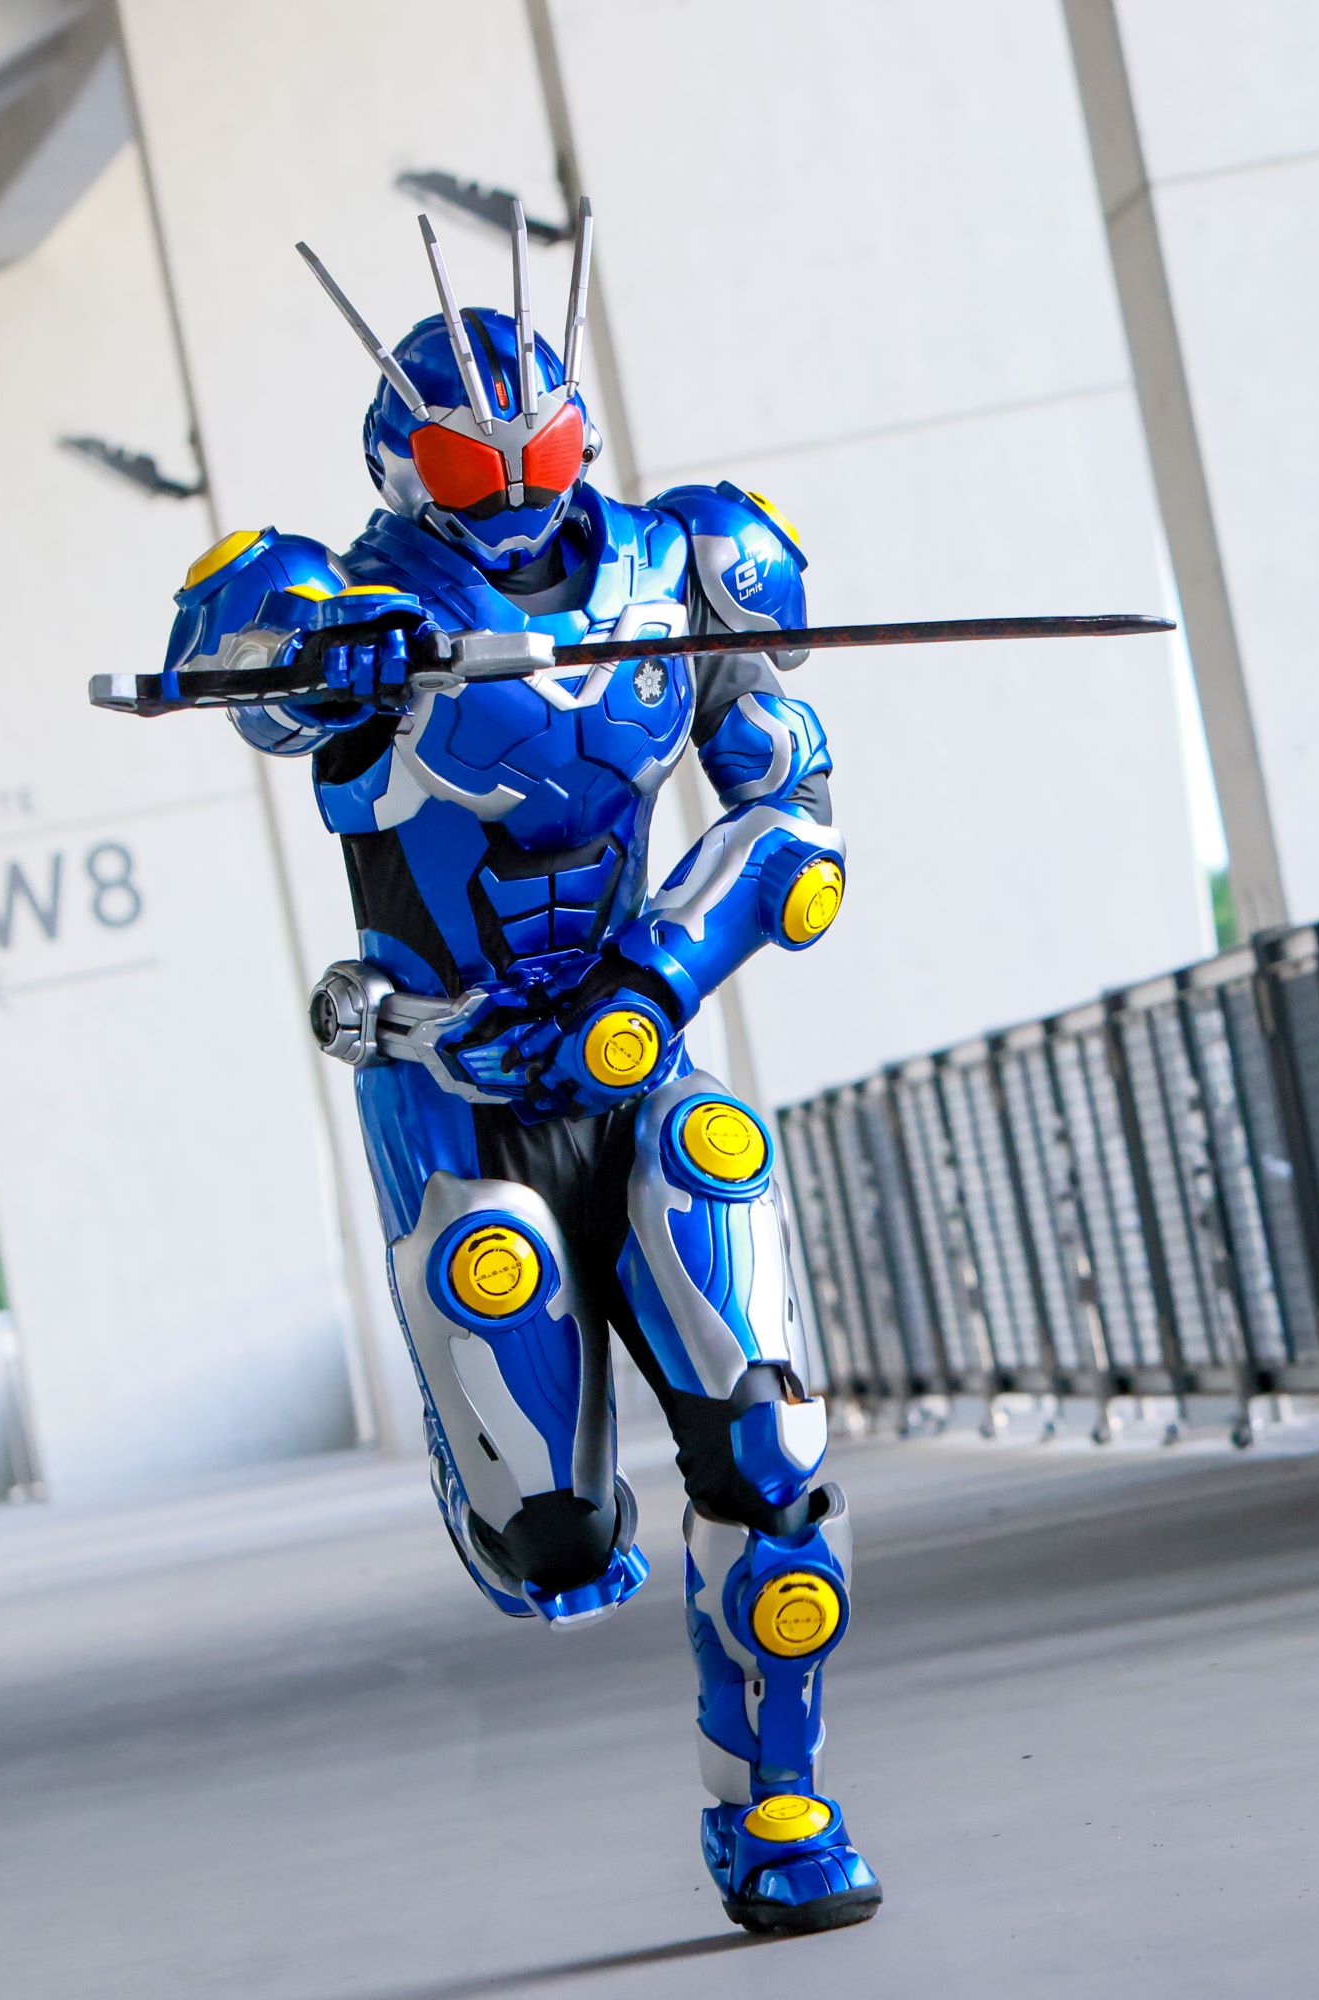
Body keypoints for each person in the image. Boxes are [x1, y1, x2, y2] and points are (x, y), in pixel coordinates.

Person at [153, 202, 876, 1935]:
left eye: (545, 459)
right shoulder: (350, 600)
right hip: (458, 1084)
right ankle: (512, 1493)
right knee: (552, 1534)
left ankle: (778, 1812)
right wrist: (327, 660)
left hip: (638, 1057)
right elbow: (230, 669)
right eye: (482, 472)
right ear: (409, 474)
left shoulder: (690, 572)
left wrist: (657, 970)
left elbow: (793, 827)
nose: (523, 498)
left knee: (770, 1452)